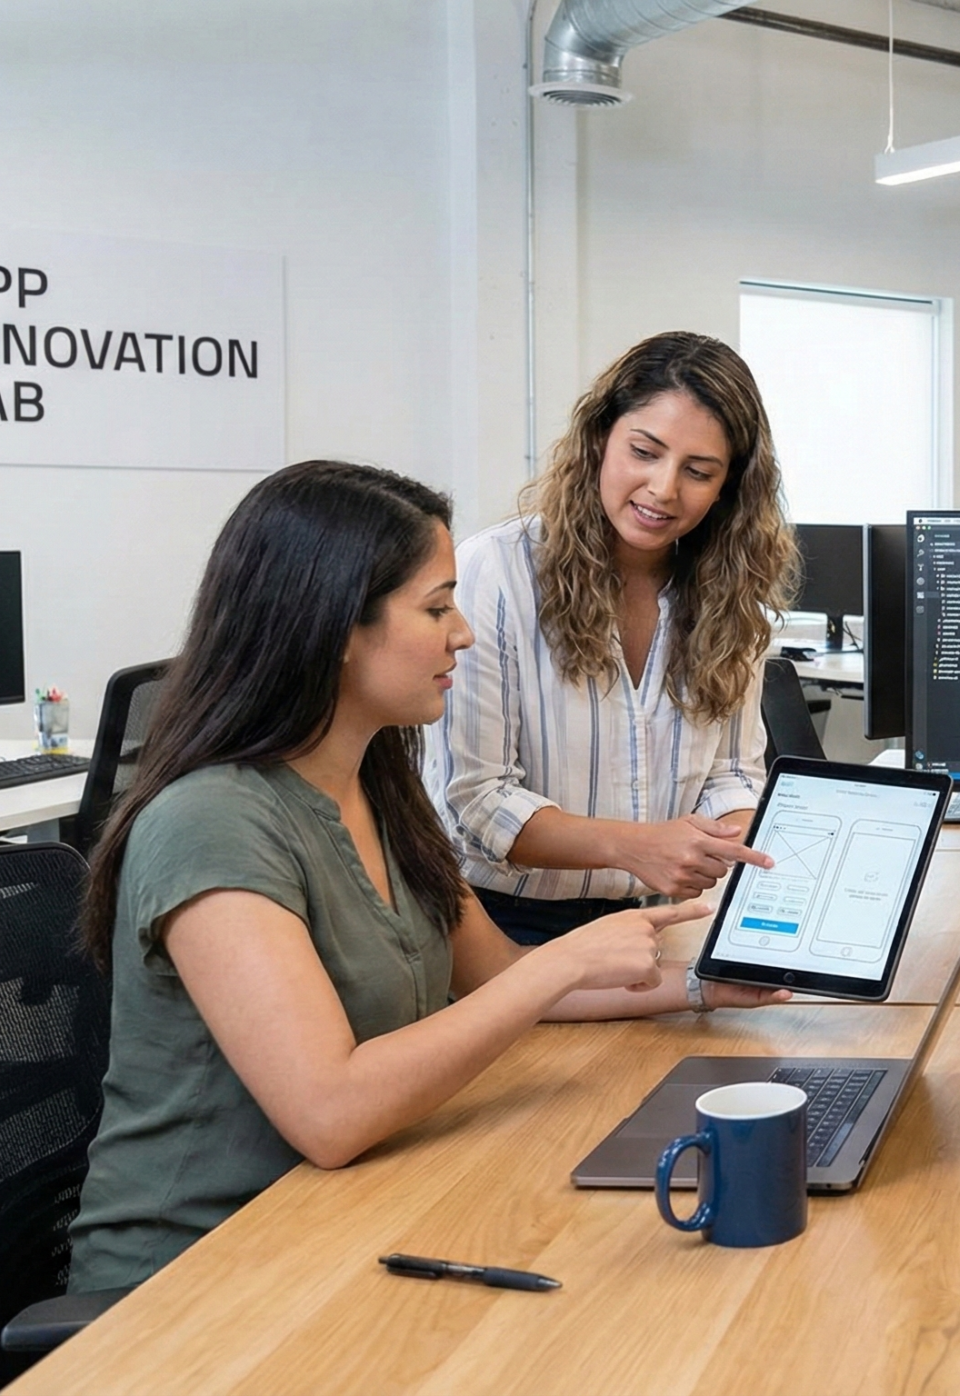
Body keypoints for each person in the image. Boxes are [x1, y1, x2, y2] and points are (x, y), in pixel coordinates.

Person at [69, 461, 790, 1291]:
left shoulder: (377, 782)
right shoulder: (213, 824)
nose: (464, 634)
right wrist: (567, 957)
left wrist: (703, 985)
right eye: (436, 607)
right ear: (337, 626)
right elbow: (330, 1114)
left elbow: (502, 979)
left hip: (356, 1214)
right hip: (198, 1279)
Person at [426, 331, 799, 944]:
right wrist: (638, 848)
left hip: (660, 923)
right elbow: (476, 802)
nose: (663, 489)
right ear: (601, 438)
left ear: (729, 486)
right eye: (644, 452)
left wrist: (750, 850)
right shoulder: (495, 572)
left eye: (698, 472)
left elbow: (732, 774)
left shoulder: (733, 597)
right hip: (500, 927)